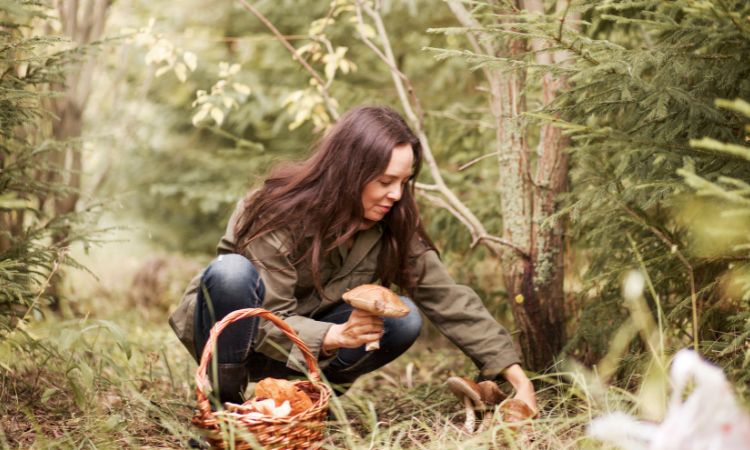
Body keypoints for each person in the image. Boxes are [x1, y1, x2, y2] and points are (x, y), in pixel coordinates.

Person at [168, 105, 537, 411]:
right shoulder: (273, 211)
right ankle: (224, 405)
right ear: (349, 172)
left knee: (403, 320)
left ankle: (306, 400)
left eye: (404, 182)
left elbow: (447, 297)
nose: (396, 194)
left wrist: (518, 381)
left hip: (306, 352)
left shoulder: (393, 219)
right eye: (385, 181)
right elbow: (264, 320)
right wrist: (333, 334)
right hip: (237, 339)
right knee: (230, 273)